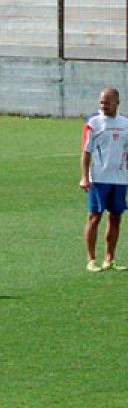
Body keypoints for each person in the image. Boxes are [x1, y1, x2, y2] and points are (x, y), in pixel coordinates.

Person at [80, 86, 128, 272]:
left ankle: (110, 259)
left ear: (117, 102)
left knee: (116, 218)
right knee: (94, 217)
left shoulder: (125, 123)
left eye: (107, 102)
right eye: (101, 102)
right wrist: (85, 177)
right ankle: (91, 259)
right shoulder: (93, 122)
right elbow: (86, 152)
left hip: (120, 179)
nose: (103, 105)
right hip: (99, 179)